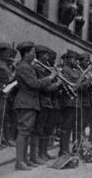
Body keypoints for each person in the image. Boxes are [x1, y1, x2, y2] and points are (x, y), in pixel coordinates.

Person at [13, 41, 56, 170]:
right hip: (26, 102)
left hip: (30, 102)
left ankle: (24, 159)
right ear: (25, 53)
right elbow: (34, 84)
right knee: (23, 132)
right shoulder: (24, 67)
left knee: (27, 131)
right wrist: (50, 77)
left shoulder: (28, 66)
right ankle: (19, 161)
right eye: (32, 52)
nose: (34, 54)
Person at [30, 45, 62, 165]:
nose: (48, 57)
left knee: (46, 129)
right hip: (41, 101)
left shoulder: (46, 68)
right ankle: (35, 155)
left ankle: (43, 153)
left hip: (48, 102)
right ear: (41, 55)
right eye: (46, 55)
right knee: (38, 129)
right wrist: (57, 83)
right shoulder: (38, 68)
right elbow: (44, 88)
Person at [0, 42, 17, 151]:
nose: (8, 55)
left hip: (7, 93)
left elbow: (9, 78)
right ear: (1, 52)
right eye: (7, 53)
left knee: (6, 117)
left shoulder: (5, 63)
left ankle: (3, 139)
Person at [59, 50, 81, 156]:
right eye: (74, 59)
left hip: (73, 102)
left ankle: (66, 149)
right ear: (68, 59)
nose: (76, 62)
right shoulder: (65, 70)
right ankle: (63, 150)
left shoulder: (73, 70)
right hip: (67, 101)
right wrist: (81, 79)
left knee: (70, 126)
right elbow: (71, 86)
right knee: (66, 126)